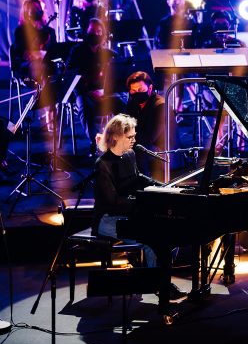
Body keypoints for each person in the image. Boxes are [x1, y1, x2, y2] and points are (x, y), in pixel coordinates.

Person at [93, 114, 184, 300]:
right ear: (116, 137)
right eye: (130, 137)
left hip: (130, 214)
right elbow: (112, 202)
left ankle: (160, 281)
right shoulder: (102, 165)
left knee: (170, 236)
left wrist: (163, 188)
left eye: (134, 136)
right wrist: (143, 203)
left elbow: (139, 179)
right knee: (152, 240)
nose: (134, 140)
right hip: (108, 219)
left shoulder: (129, 155)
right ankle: (160, 284)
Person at [66, 18, 118, 149]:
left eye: (99, 31)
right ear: (86, 31)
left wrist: (105, 91)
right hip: (83, 93)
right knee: (85, 106)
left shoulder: (107, 53)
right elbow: (70, 77)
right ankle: (95, 141)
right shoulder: (76, 51)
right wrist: (89, 92)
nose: (95, 33)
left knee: (122, 103)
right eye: (92, 30)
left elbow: (113, 77)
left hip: (103, 93)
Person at [122, 71, 167, 178]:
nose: (137, 93)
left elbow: (149, 137)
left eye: (141, 90)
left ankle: (141, 186)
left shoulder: (160, 105)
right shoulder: (132, 102)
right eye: (133, 90)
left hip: (162, 151)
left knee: (137, 149)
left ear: (150, 88)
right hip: (140, 142)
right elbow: (126, 125)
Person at [11, 0, 57, 85]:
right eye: (34, 9)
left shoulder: (50, 31)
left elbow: (55, 51)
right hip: (27, 68)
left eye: (39, 8)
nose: (38, 11)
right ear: (26, 12)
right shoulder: (20, 31)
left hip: (47, 64)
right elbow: (19, 53)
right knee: (42, 68)